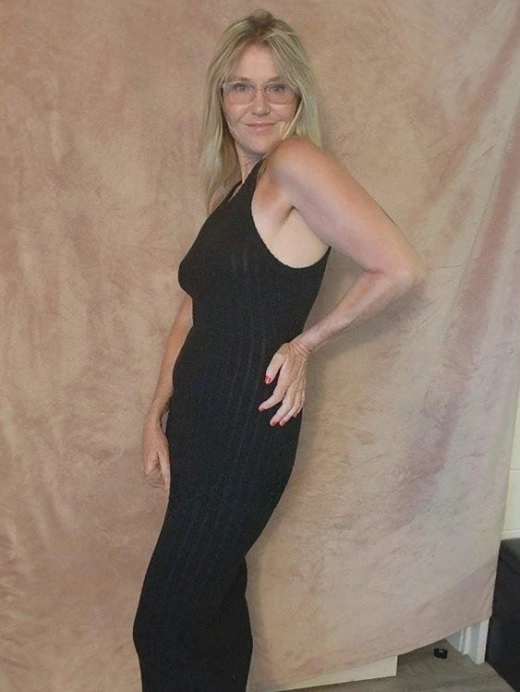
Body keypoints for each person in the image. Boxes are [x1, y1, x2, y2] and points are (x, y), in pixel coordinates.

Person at [132, 8, 426, 691]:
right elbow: (191, 312)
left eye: (277, 87)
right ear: (221, 97)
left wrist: (306, 345)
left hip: (244, 429)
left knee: (165, 624)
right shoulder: (240, 190)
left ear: (299, 98)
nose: (258, 104)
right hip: (200, 428)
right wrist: (156, 413)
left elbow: (400, 267)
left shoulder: (294, 163)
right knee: (213, 605)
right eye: (241, 86)